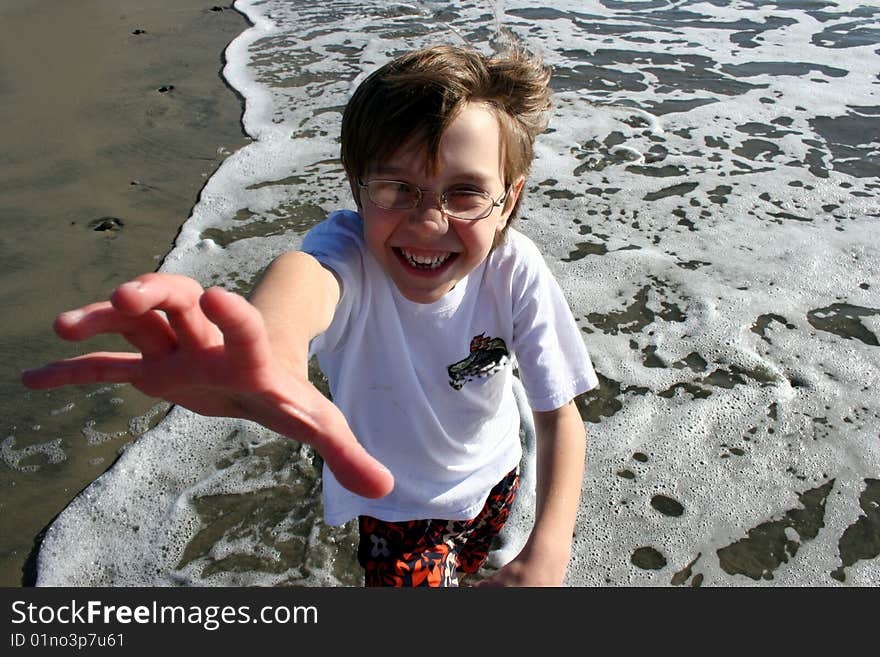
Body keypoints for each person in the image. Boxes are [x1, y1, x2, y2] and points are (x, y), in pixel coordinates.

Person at [22, 44, 598, 587]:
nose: (428, 222)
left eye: (465, 192)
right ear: (357, 187)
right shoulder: (348, 255)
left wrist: (547, 552)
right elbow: (303, 281)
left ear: (509, 200)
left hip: (498, 471)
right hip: (395, 507)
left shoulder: (514, 267)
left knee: (478, 559)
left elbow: (557, 415)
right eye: (398, 188)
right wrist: (270, 350)